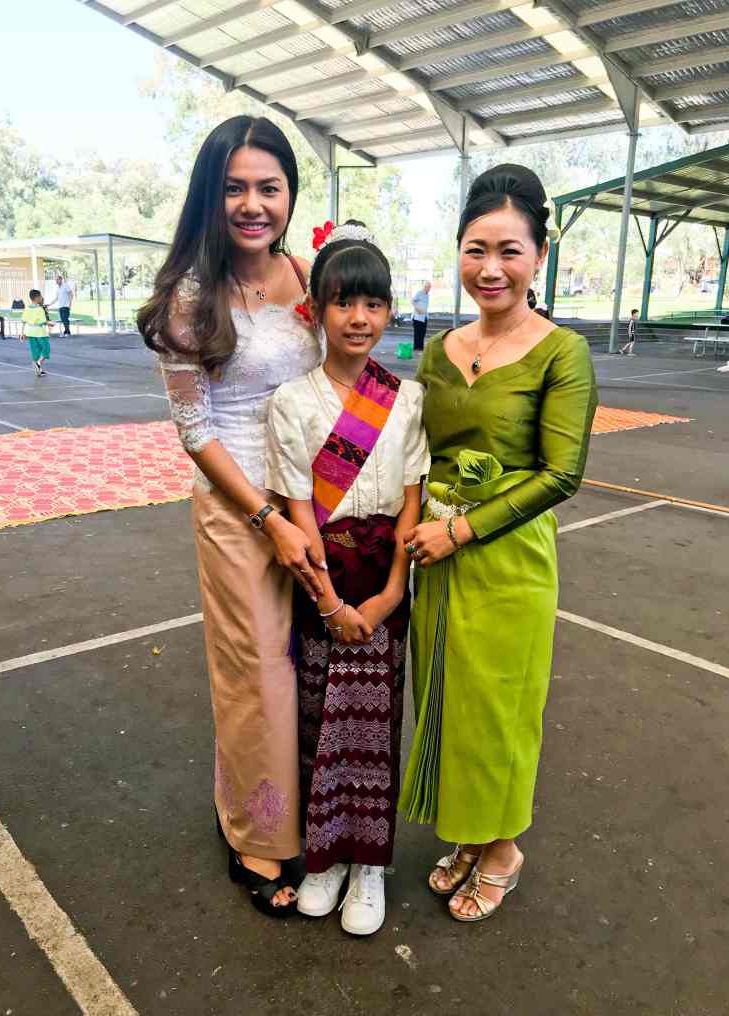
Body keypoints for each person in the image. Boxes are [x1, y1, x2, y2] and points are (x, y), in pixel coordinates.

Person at [399, 164, 598, 924]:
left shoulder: (562, 353)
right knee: (446, 699)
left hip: (507, 558)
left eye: (510, 251)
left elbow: (562, 474)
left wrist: (461, 529)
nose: (491, 268)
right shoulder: (441, 350)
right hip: (434, 553)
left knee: (499, 708)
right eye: (476, 250)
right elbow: (404, 443)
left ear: (539, 256)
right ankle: (472, 834)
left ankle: (504, 849)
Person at [138, 115, 326, 917]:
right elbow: (196, 431)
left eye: (269, 188)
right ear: (208, 198)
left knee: (318, 664)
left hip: (316, 499)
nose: (254, 205)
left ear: (290, 194)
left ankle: (315, 811)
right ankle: (255, 831)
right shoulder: (190, 296)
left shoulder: (310, 276)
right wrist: (266, 520)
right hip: (237, 507)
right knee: (258, 674)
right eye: (235, 188)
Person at [265, 221, 429, 935]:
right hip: (322, 581)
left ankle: (370, 865)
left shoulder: (407, 399)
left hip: (384, 579)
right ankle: (327, 855)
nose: (359, 318)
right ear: (317, 310)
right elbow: (297, 511)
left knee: (376, 728)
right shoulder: (291, 402)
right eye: (343, 302)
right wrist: (330, 603)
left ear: (388, 309)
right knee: (319, 723)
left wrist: (392, 593)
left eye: (373, 303)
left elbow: (413, 498)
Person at [20, 289, 53, 376]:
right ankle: (38, 363)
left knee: (35, 351)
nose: (42, 298)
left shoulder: (27, 308)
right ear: (37, 297)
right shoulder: (39, 309)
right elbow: (43, 322)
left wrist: (22, 333)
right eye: (40, 296)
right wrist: (51, 324)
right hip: (39, 332)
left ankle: (38, 370)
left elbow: (23, 321)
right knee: (46, 349)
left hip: (30, 332)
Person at [412, 280, 431, 352]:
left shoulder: (427, 295)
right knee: (417, 332)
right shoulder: (419, 293)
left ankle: (421, 347)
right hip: (417, 316)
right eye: (428, 287)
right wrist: (417, 309)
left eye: (430, 287)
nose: (429, 289)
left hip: (424, 316)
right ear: (425, 287)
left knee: (423, 332)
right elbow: (412, 301)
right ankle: (416, 347)